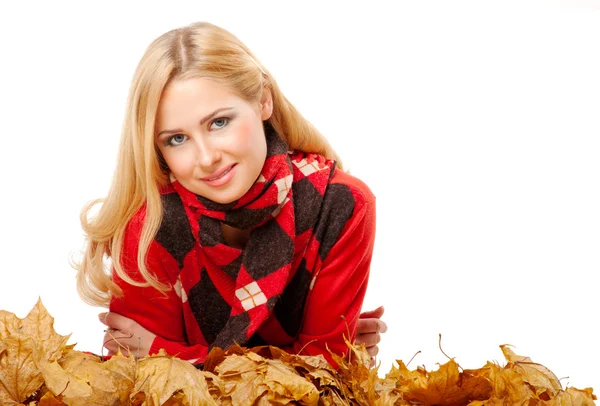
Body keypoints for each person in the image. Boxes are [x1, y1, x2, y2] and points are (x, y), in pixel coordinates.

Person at [75, 21, 386, 367]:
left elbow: (321, 381)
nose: (207, 158)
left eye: (219, 122)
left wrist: (168, 353)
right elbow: (145, 385)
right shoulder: (150, 224)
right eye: (176, 139)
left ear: (263, 100)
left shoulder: (341, 206)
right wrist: (307, 358)